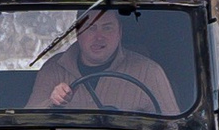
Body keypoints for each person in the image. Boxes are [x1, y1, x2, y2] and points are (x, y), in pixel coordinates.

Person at [27, 11, 177, 114]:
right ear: (78, 33)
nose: (99, 37)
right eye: (91, 28)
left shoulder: (149, 72)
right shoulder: (54, 68)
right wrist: (53, 102)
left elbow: (173, 129)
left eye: (107, 28)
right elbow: (28, 124)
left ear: (120, 32)